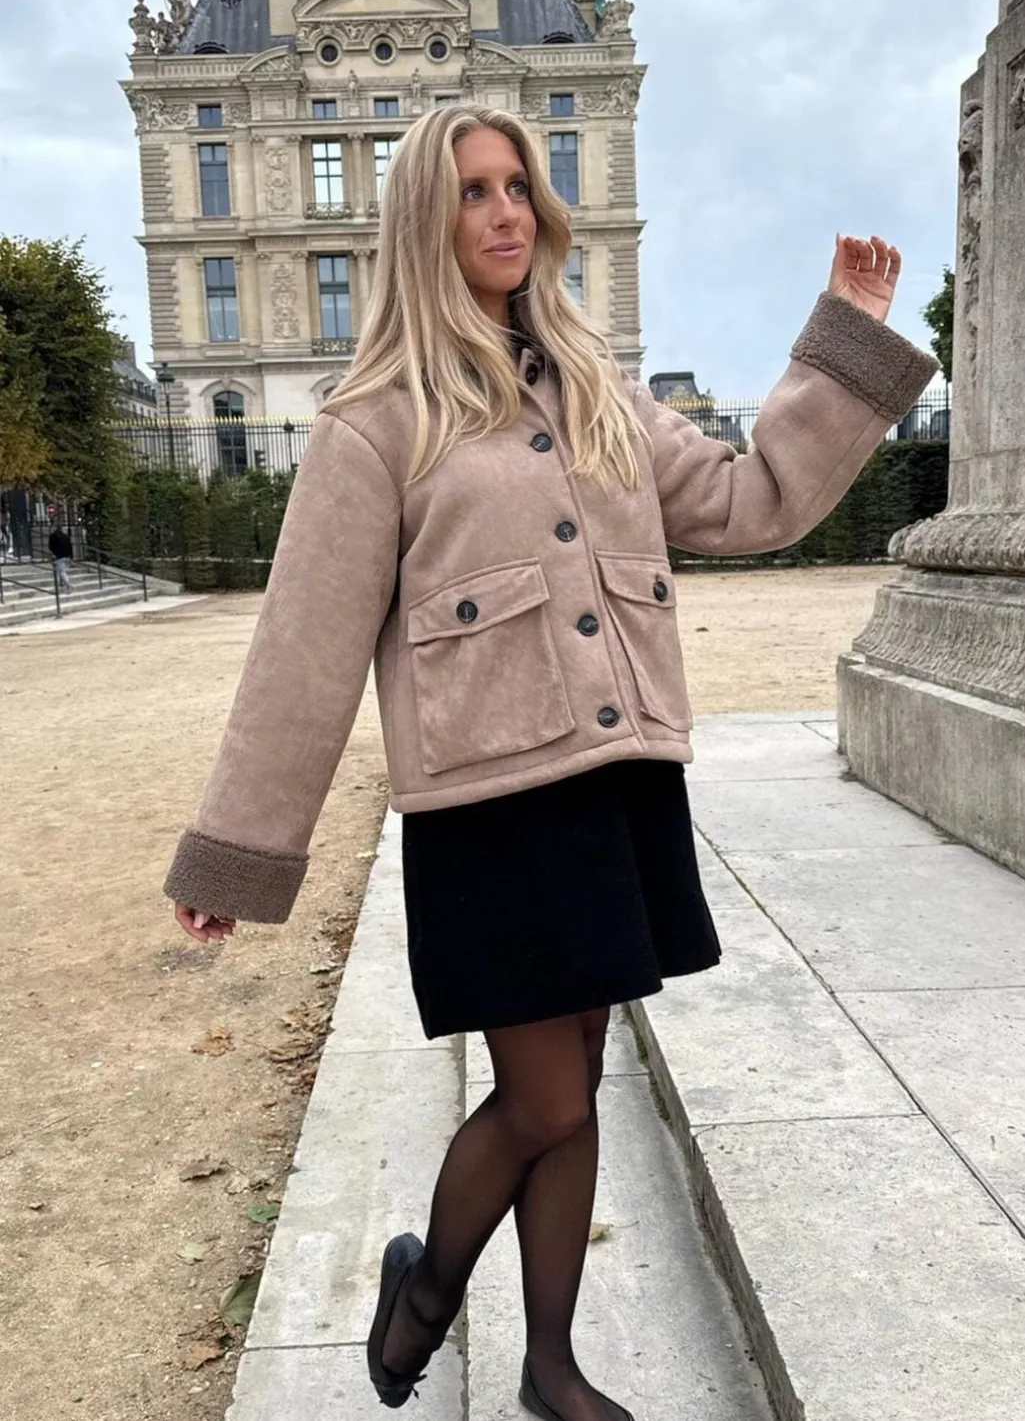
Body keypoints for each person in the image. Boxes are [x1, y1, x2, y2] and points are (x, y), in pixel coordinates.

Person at [164, 105, 938, 1421]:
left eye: (517, 185)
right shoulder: (373, 420)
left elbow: (750, 499)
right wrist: (237, 851)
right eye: (474, 190)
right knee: (542, 1095)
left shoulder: (595, 383)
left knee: (573, 1079)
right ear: (427, 218)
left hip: (615, 782)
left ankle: (550, 1365)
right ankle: (425, 1290)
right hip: (488, 805)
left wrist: (842, 341)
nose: (506, 211)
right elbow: (302, 648)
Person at [48, 525, 74, 592]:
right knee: (59, 570)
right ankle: (61, 583)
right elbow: (70, 547)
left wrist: (53, 554)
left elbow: (51, 547)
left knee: (62, 571)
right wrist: (71, 557)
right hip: (66, 556)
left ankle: (69, 586)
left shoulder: (53, 536)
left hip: (58, 556)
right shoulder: (66, 536)